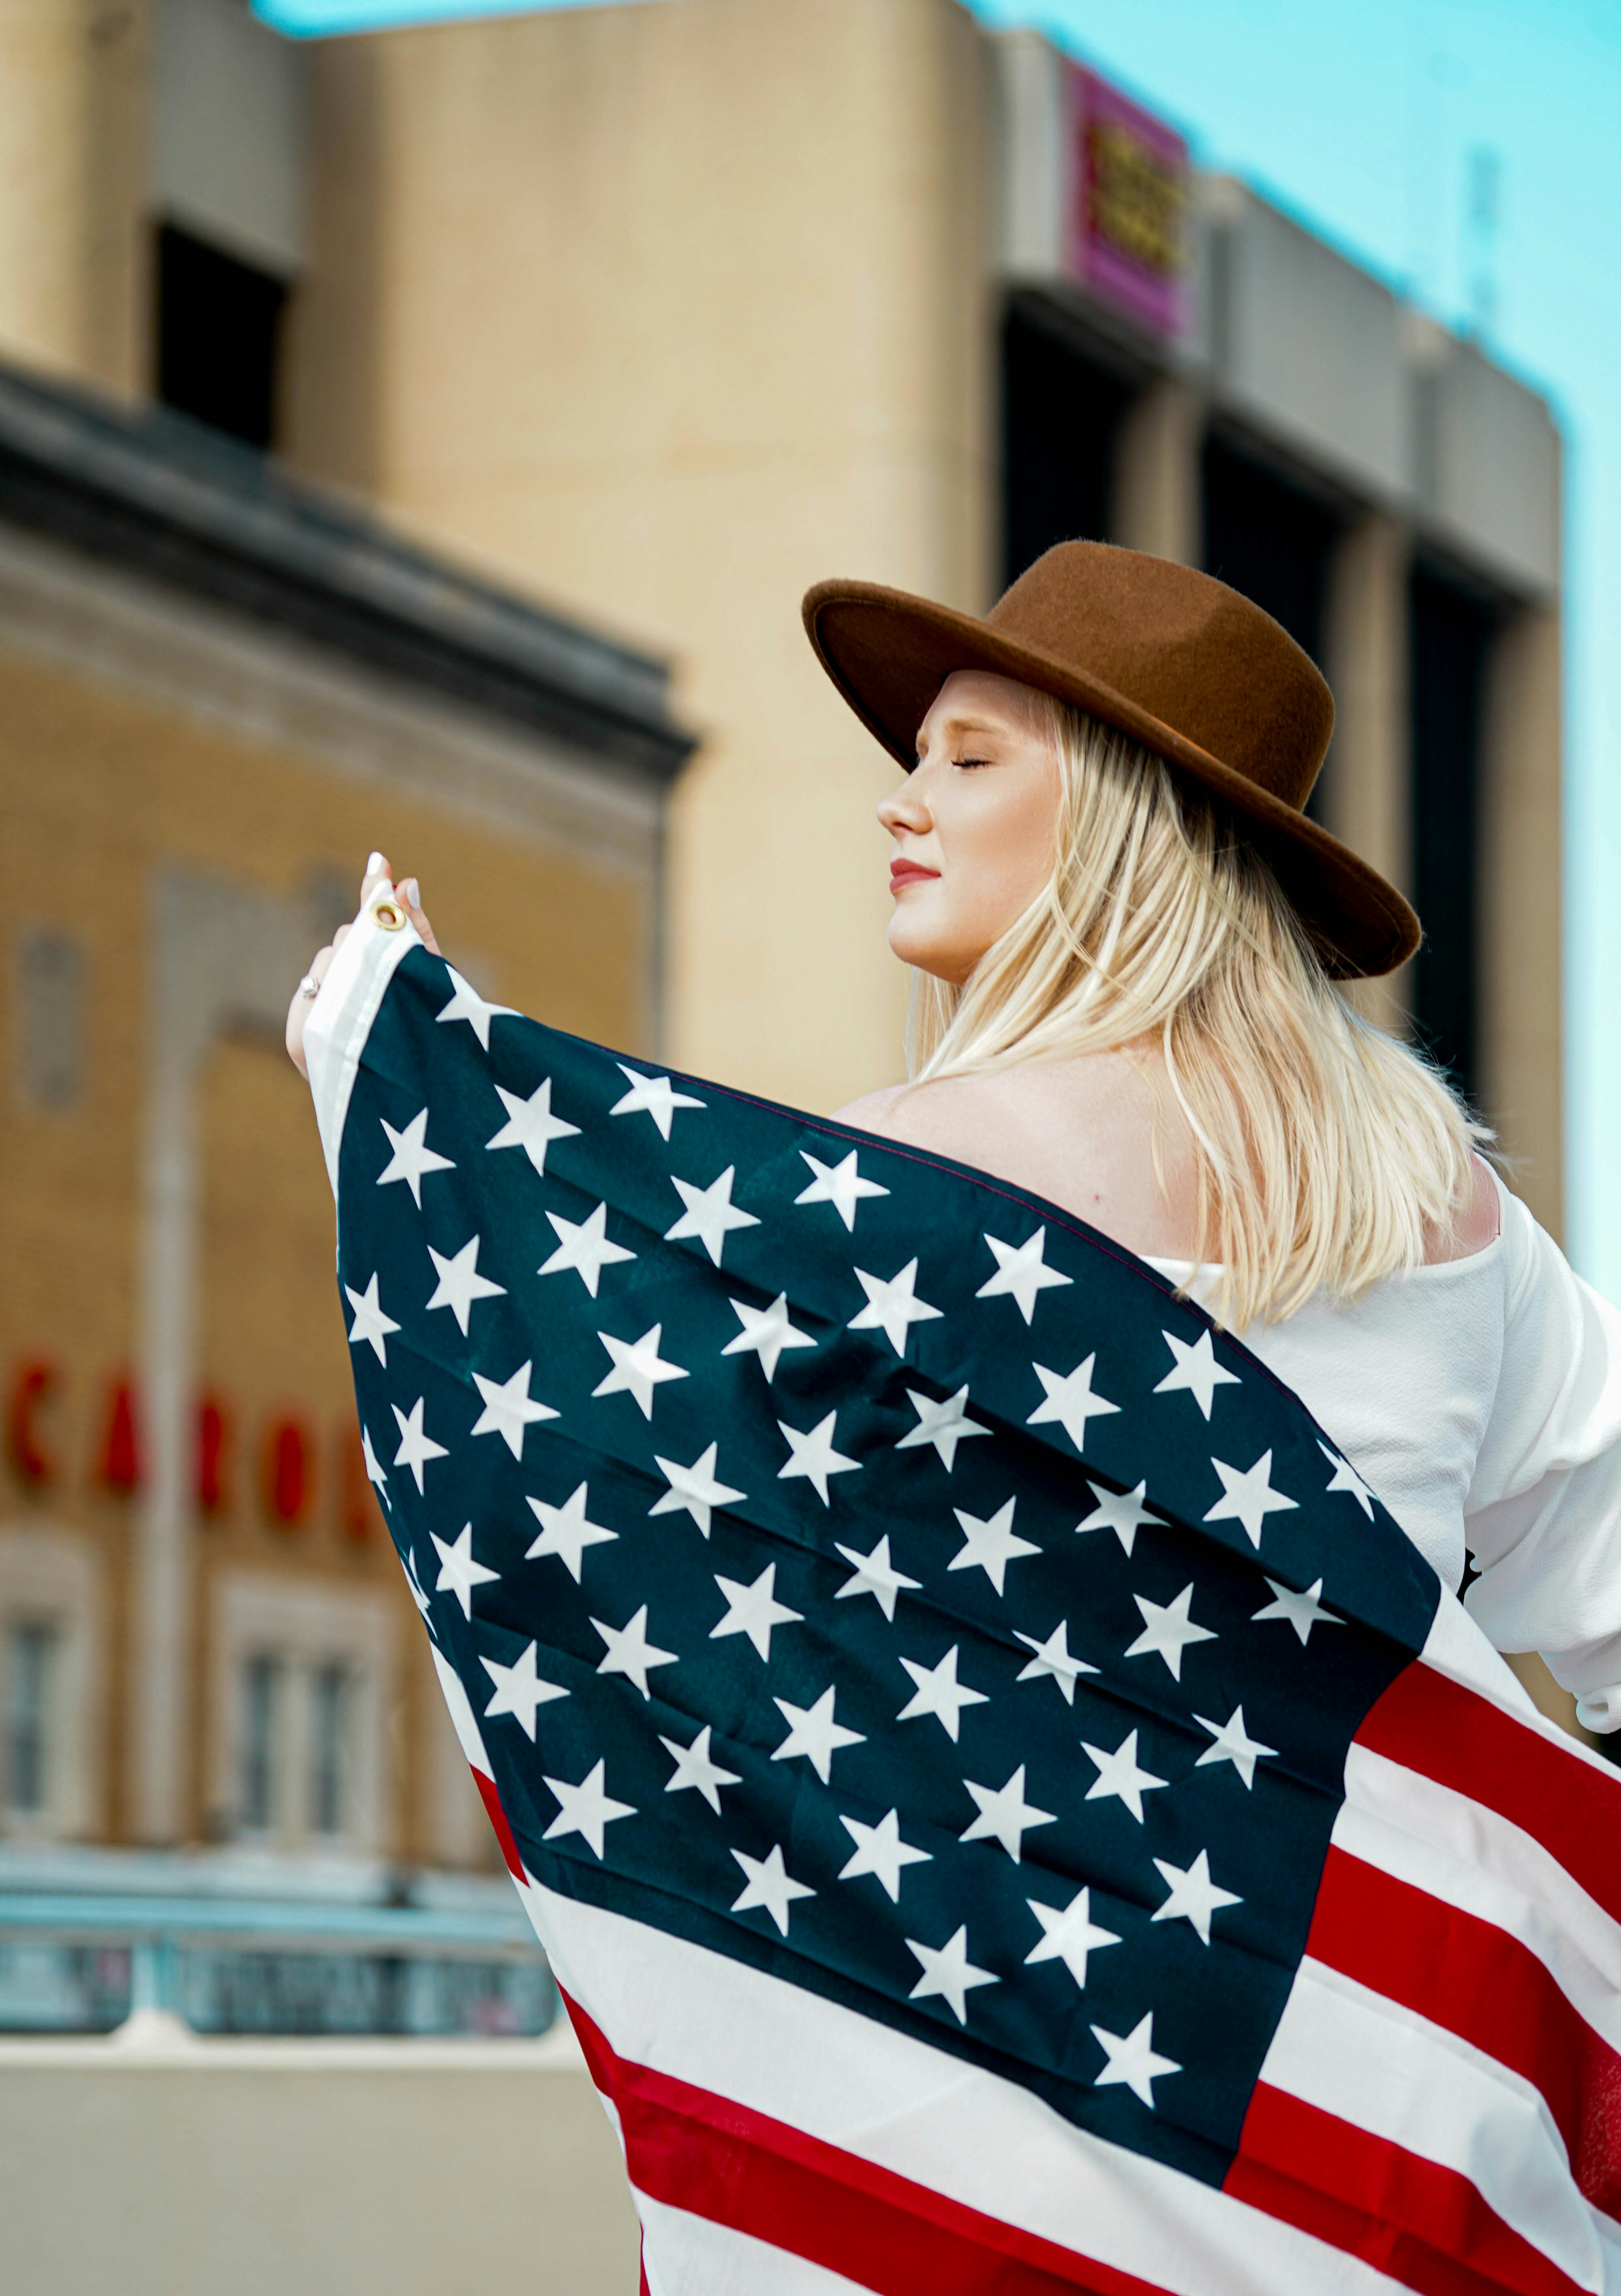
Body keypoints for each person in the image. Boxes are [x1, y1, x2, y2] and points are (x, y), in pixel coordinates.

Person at [288, 538, 1621, 1734]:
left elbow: (589, 1478)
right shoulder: (1447, 1195)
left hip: (1052, 1989)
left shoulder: (917, 1165)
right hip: (1398, 1975)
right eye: (917, 755)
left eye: (971, 758)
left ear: (1123, 823)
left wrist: (404, 1080)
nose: (903, 798)